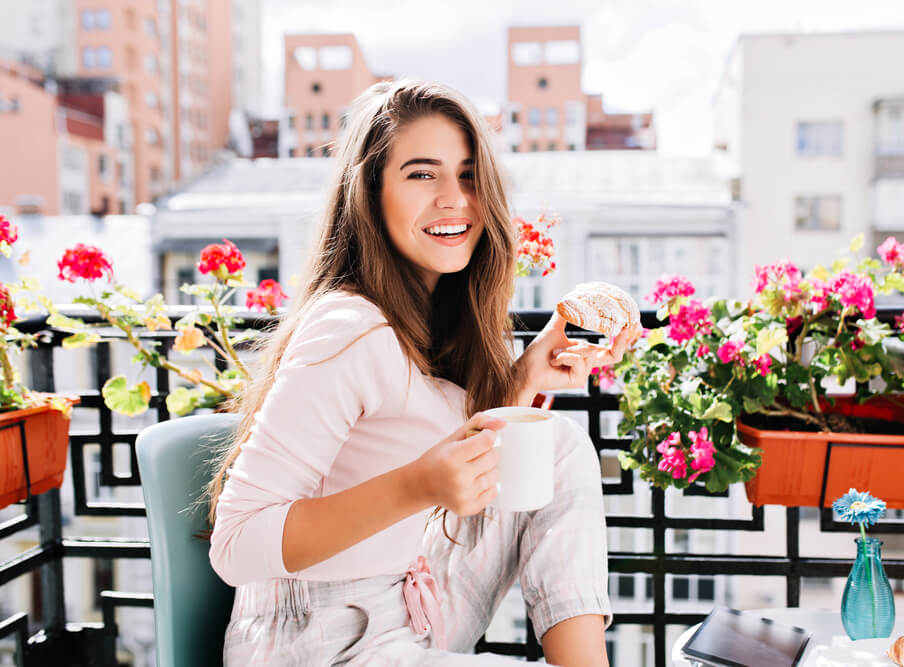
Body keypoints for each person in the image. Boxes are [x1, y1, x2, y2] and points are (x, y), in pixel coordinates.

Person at [206, 79, 640, 666]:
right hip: (315, 639)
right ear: (370, 193)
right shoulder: (347, 326)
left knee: (558, 444)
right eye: (421, 174)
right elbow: (236, 545)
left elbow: (410, 432)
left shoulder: (435, 315)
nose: (454, 198)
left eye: (467, 175)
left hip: (407, 598)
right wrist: (418, 485)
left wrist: (524, 377)